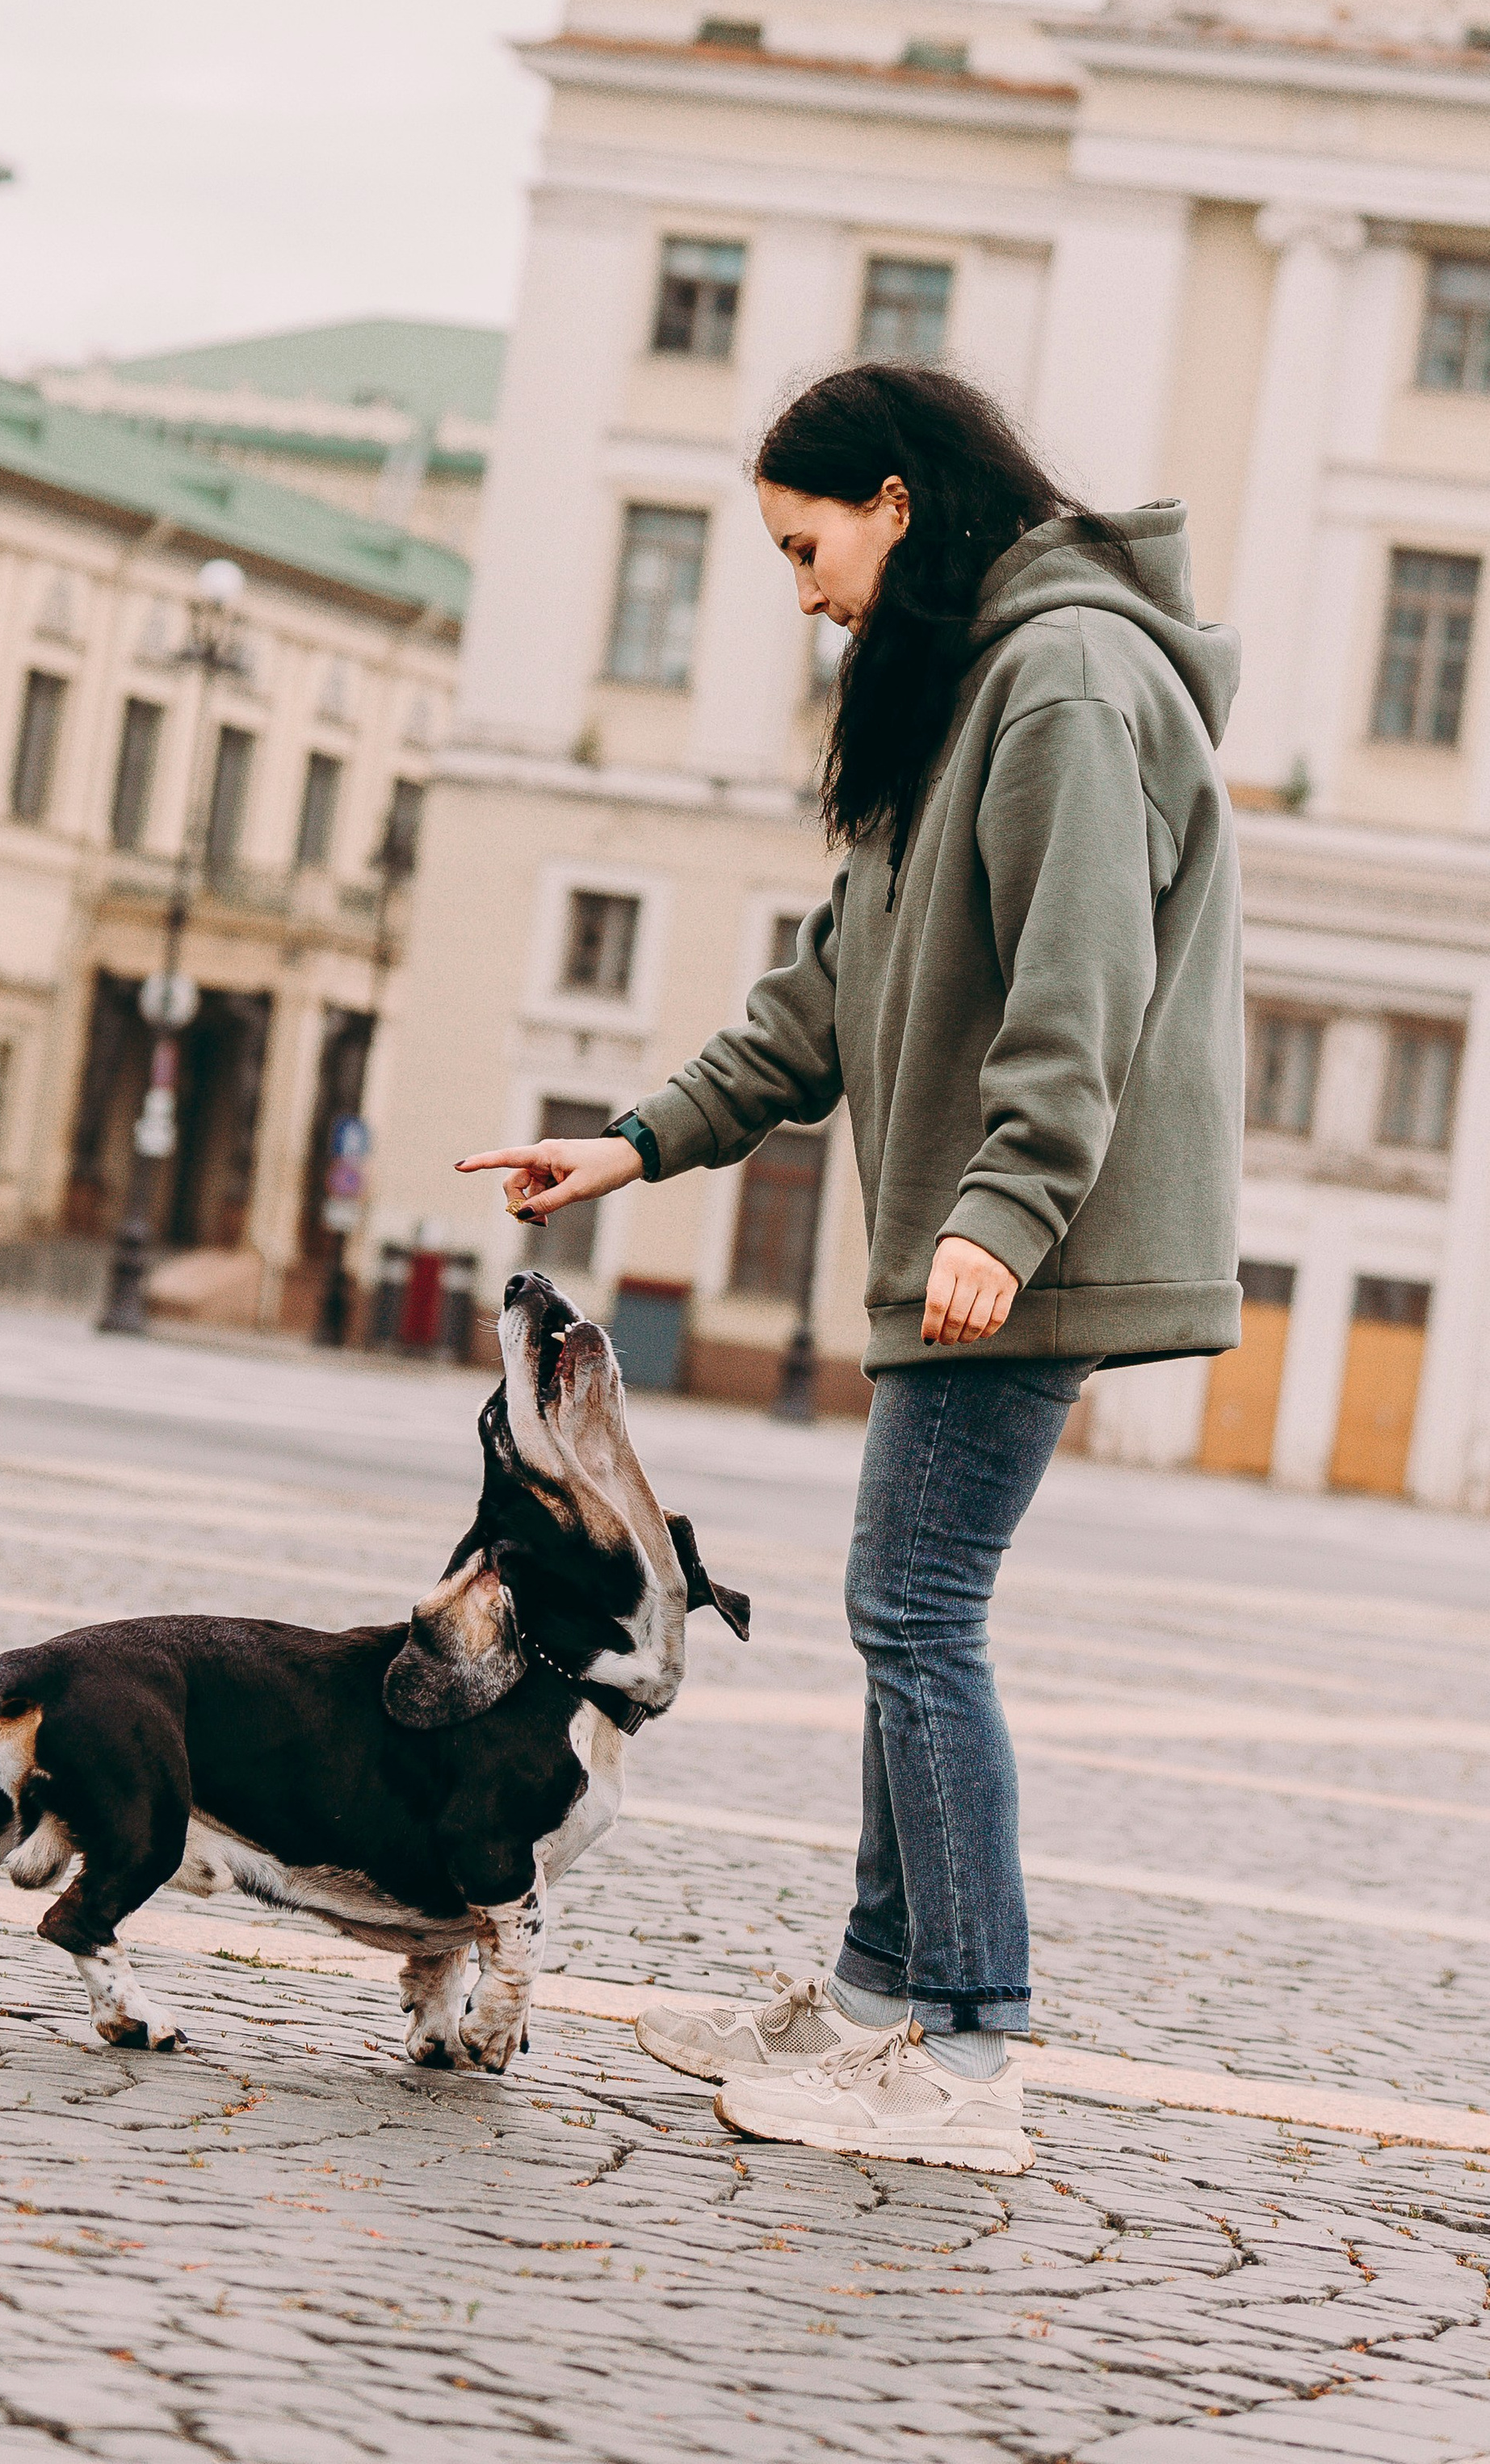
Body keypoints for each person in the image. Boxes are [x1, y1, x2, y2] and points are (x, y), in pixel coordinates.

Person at [457, 361, 1242, 2174]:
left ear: (893, 502)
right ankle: (884, 1994)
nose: (801, 589)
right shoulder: (964, 685)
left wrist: (1000, 1211)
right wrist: (630, 1138)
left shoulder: (1064, 677)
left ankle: (967, 2053)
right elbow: (824, 993)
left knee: (915, 1610)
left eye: (807, 547)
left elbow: (1081, 982)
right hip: (975, 1236)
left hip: (1009, 1242)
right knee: (906, 1604)